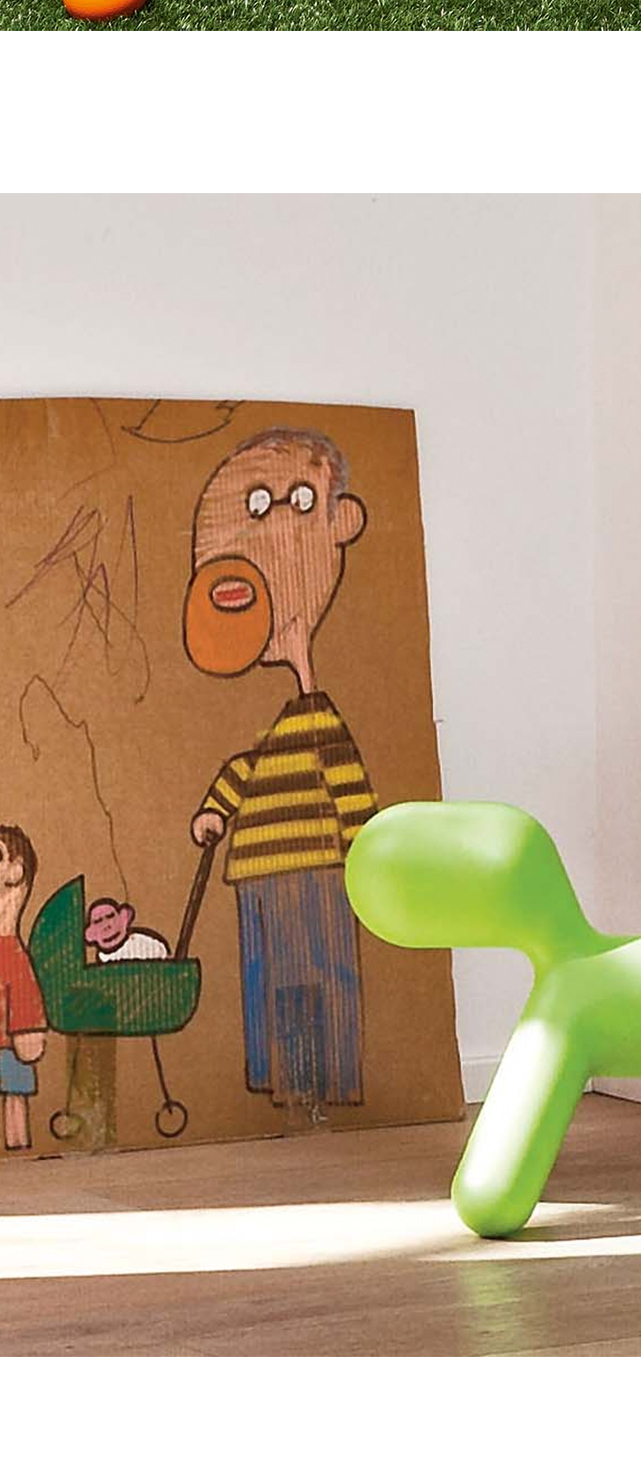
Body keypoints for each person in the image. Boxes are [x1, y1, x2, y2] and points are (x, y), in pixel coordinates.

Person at [183, 423, 377, 1122]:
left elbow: (351, 791)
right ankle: (281, 1081)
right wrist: (216, 809)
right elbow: (246, 769)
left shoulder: (319, 719)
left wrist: (368, 853)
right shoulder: (287, 727)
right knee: (268, 980)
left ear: (340, 522)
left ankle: (317, 1082)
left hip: (311, 870)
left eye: (289, 503)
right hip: (257, 872)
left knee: (314, 975)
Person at [0, 822, 47, 1154]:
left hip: (9, 1047)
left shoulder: (11, 953)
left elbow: (24, 991)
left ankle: (17, 1148)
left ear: (16, 872)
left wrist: (29, 1030)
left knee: (15, 1097)